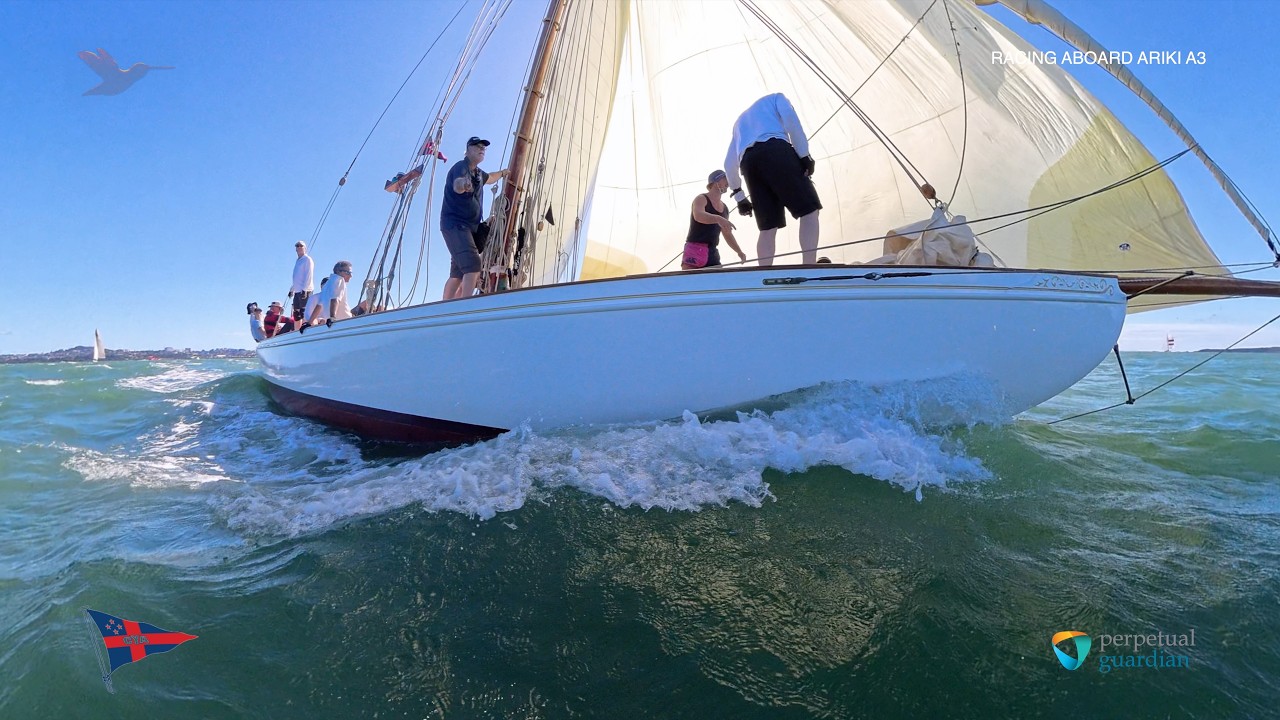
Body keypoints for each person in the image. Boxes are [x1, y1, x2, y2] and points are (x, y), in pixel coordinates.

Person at [724, 93, 822, 266]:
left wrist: (740, 197)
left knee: (768, 227)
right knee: (809, 211)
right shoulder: (778, 98)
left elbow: (728, 163)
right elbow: (791, 121)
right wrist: (804, 155)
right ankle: (809, 265)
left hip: (748, 163)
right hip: (775, 149)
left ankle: (764, 272)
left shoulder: (739, 123)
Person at [440, 136, 510, 300]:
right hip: (456, 226)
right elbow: (457, 184)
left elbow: (491, 177)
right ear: (468, 150)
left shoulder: (478, 173)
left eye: (483, 148)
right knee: (473, 266)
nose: (481, 149)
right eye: (477, 146)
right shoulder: (461, 167)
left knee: (457, 273)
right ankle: (465, 306)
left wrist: (503, 173)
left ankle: (446, 307)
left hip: (467, 228)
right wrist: (464, 185)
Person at [683, 169, 747, 269]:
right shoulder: (701, 198)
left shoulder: (725, 208)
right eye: (725, 178)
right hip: (694, 249)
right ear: (715, 181)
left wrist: (739, 252)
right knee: (690, 282)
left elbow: (727, 234)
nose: (728, 181)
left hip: (712, 252)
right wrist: (718, 218)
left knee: (719, 281)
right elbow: (698, 215)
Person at [288, 240, 314, 321]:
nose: (299, 247)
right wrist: (291, 290)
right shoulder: (298, 261)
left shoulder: (307, 259)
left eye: (301, 246)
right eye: (297, 246)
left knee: (305, 312)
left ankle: (309, 328)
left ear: (305, 248)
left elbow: (308, 275)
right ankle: (298, 330)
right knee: (296, 313)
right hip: (297, 291)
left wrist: (305, 289)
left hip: (305, 290)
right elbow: (297, 278)